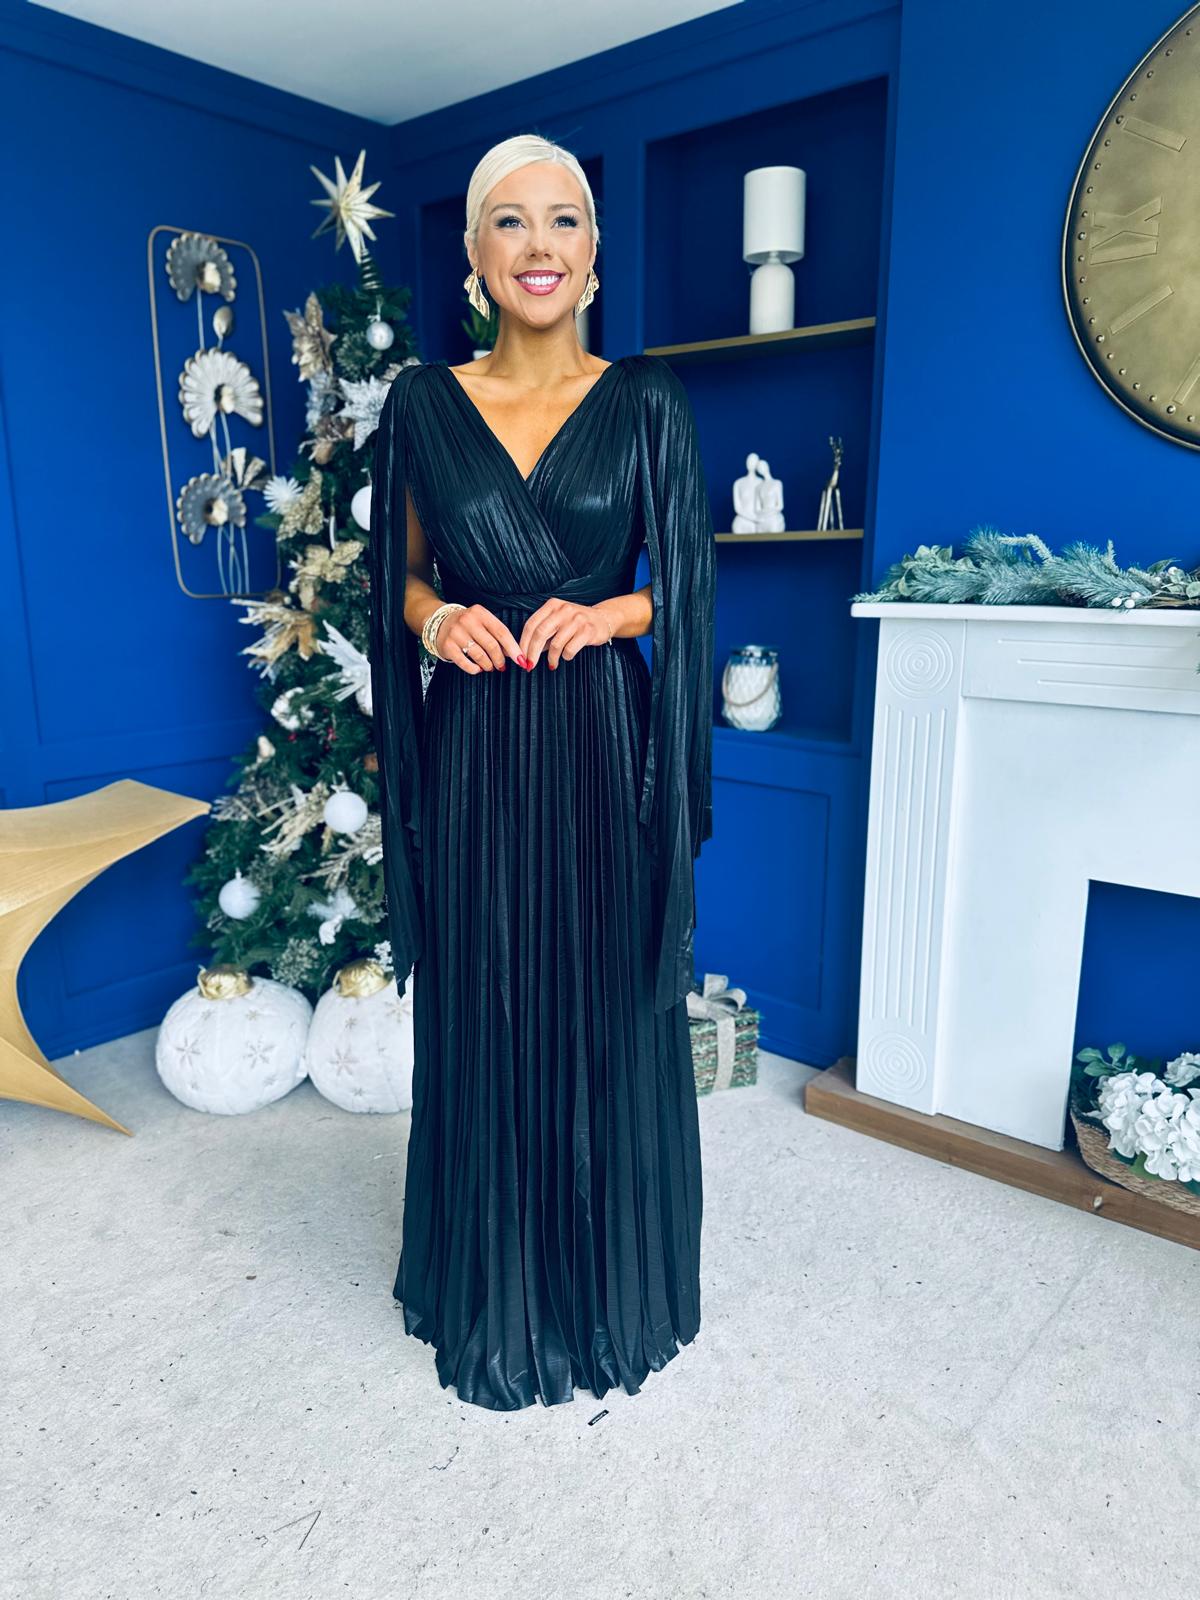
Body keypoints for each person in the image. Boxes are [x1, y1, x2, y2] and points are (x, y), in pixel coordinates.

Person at [368, 132, 716, 1411]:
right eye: (509, 221)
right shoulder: (422, 405)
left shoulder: (648, 402)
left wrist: (611, 613)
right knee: (488, 988)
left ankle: (610, 1288)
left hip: (600, 741)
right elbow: (401, 576)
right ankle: (495, 1285)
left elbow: (686, 585)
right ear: (473, 257)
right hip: (476, 742)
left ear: (595, 256)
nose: (539, 245)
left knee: (609, 995)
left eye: (563, 220)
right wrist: (432, 624)